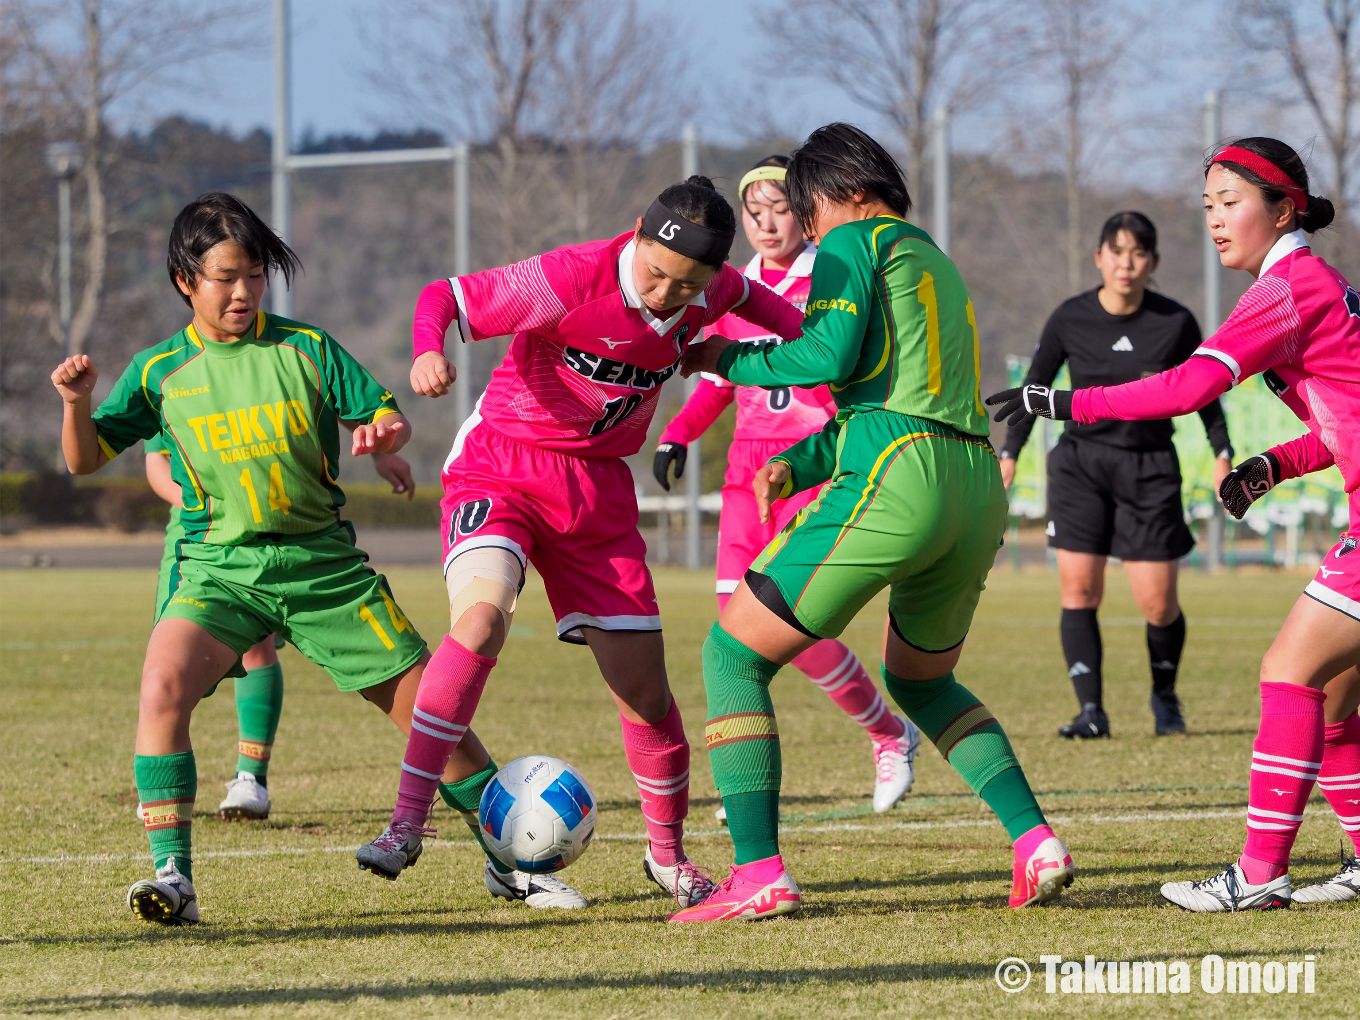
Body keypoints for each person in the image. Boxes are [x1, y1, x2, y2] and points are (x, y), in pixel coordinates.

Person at [361, 174, 806, 911]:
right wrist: (425, 353)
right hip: (500, 465)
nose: (667, 294)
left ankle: (668, 858)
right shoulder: (571, 277)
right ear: (637, 233)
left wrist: (826, 346)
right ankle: (406, 823)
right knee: (480, 623)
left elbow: (770, 310)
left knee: (646, 694)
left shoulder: (717, 290)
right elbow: (443, 296)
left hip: (598, 493)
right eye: (657, 273)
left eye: (686, 286)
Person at [51, 192, 493, 925]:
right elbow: (86, 459)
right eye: (226, 276)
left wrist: (385, 437)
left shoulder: (307, 347)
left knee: (432, 720)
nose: (244, 292)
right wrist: (76, 402)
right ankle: (174, 877)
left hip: (323, 570)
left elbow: (387, 415)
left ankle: (512, 857)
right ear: (184, 280)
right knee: (162, 683)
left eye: (254, 275)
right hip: (221, 570)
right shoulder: (160, 370)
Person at [671, 123, 1074, 923]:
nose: (809, 228)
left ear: (843, 192)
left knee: (731, 655)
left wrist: (721, 357)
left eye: (807, 209)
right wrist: (811, 460)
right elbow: (891, 386)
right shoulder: (933, 258)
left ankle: (758, 873)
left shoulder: (854, 241)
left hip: (903, 479)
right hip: (971, 481)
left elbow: (823, 354)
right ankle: (1035, 841)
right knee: (921, 680)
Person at [989, 136, 1357, 911]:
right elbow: (1342, 423)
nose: (1216, 220)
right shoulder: (1310, 285)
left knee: (1288, 674)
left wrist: (1063, 403)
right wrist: (1273, 467)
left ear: (1284, 207)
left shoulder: (1289, 287)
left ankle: (1258, 877)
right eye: (1208, 207)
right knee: (1333, 696)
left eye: (1231, 203)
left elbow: (1187, 388)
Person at [654, 155, 921, 815]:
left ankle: (888, 732)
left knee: (791, 627)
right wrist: (677, 435)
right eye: (755, 211)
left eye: (780, 207)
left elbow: (840, 365)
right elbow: (720, 378)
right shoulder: (735, 285)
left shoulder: (829, 275)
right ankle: (750, 778)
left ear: (805, 214)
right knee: (735, 628)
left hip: (806, 463)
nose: (768, 222)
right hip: (749, 471)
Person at [999, 211, 1235, 739]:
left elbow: (1206, 397)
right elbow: (1034, 389)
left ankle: (1165, 697)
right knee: (1079, 592)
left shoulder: (1175, 322)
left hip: (1149, 468)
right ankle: (1091, 713)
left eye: (1138, 253)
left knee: (1158, 602)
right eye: (1117, 250)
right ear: (1099, 257)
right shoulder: (1069, 317)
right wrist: (1009, 452)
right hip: (1080, 466)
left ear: (1152, 262)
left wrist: (1223, 452)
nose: (1126, 263)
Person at [144, 426, 418, 820]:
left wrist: (380, 452)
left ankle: (250, 777)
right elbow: (156, 461)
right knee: (171, 657)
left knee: (257, 641)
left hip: (272, 525)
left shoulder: (277, 366)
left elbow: (328, 389)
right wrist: (212, 507)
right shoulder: (168, 366)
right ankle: (162, 776)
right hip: (198, 531)